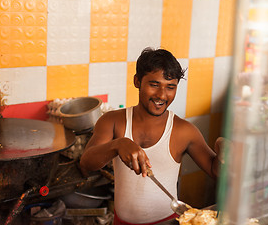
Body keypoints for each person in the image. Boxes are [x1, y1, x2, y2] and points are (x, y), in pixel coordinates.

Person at [80, 47, 224, 225]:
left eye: (170, 87)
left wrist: (224, 152)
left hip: (167, 222)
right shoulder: (113, 121)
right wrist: (117, 145)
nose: (162, 95)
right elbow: (86, 163)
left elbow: (215, 171)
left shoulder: (184, 130)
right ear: (137, 81)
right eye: (154, 85)